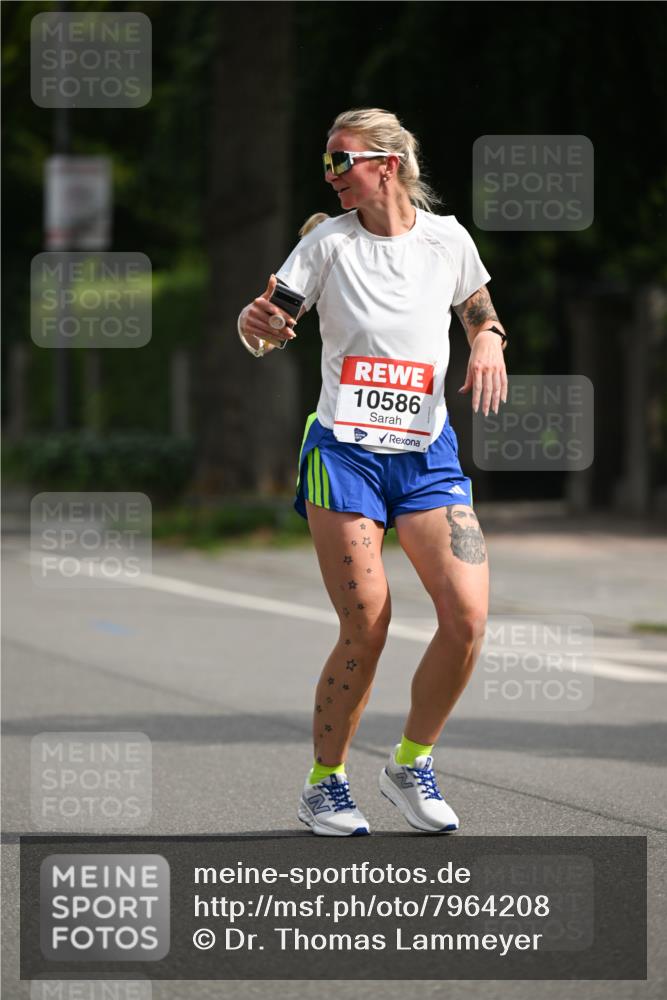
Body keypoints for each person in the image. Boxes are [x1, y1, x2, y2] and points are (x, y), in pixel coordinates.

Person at [237, 108, 507, 836]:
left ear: (388, 164)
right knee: (367, 623)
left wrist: (488, 341)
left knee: (468, 616)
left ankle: (409, 763)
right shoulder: (326, 245)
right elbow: (268, 320)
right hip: (343, 455)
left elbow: (478, 312)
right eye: (325, 163)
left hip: (426, 455)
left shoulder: (447, 240)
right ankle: (324, 783)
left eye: (340, 160)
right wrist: (255, 327)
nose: (328, 175)